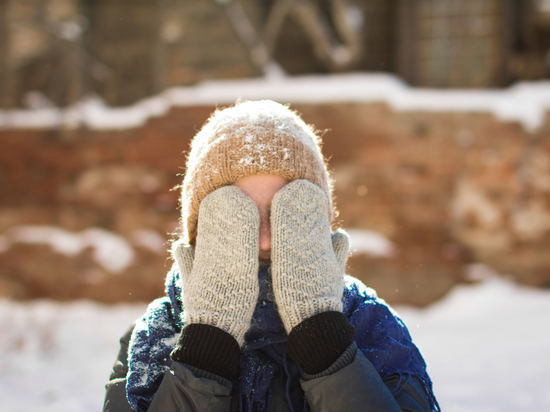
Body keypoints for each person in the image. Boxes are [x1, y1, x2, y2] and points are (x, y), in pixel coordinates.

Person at [103, 100, 440, 412]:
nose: (265, 241)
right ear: (197, 232)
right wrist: (205, 349)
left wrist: (326, 341)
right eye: (240, 215)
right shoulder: (155, 337)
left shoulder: (371, 326)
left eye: (286, 214)